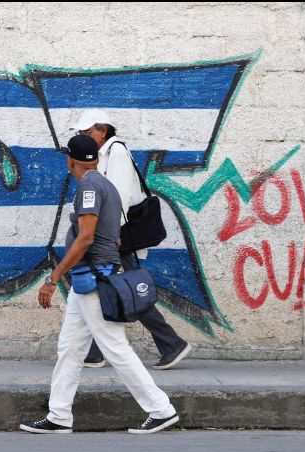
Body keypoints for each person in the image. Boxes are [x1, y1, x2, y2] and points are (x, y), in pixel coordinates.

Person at [19, 135, 179, 435]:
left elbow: (86, 237)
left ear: (70, 161)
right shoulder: (107, 185)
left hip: (94, 278)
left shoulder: (89, 187)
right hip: (88, 280)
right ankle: (59, 415)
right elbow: (115, 236)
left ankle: (161, 409)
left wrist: (53, 278)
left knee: (116, 348)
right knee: (69, 347)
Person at [74, 109, 192, 371]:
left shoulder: (116, 153)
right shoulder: (104, 154)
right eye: (81, 132)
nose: (84, 136)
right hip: (110, 235)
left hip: (116, 236)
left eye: (87, 131)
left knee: (124, 288)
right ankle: (95, 351)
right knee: (105, 286)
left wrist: (111, 235)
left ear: (102, 130)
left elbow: (119, 197)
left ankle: (171, 343)